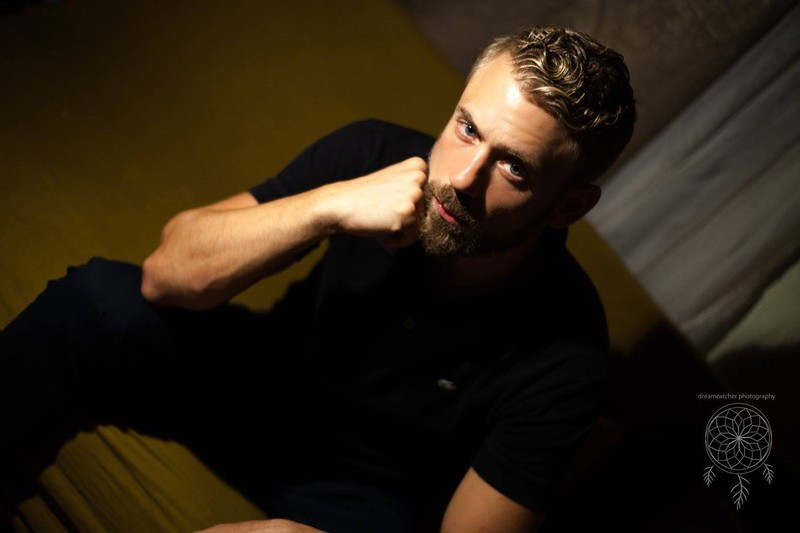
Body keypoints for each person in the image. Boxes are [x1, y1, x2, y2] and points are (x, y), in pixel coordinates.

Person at [0, 24, 636, 533]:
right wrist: (329, 206)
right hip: (261, 384)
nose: (465, 178)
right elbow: (167, 276)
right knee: (96, 300)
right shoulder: (373, 154)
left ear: (568, 206)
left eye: (514, 168)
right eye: (467, 128)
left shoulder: (570, 356)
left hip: (365, 496)